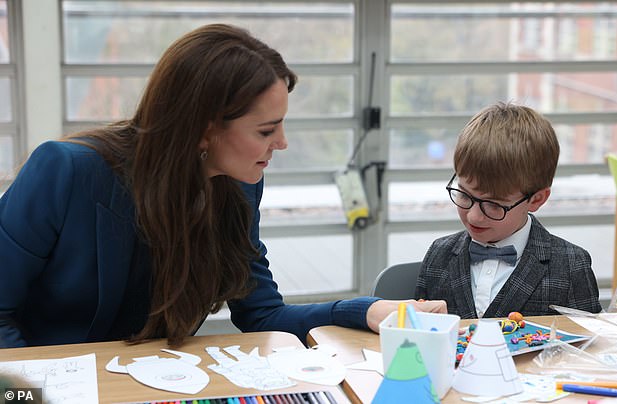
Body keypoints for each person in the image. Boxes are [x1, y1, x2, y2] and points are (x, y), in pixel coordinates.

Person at [0, 24, 446, 348]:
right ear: (202, 129)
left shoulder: (238, 187)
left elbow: (262, 314)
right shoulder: (65, 171)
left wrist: (367, 311)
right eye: (266, 130)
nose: (283, 144)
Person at [414, 102, 602, 319]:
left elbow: (589, 347)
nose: (474, 215)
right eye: (464, 195)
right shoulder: (439, 254)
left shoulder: (571, 266)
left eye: (494, 205)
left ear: (536, 199)